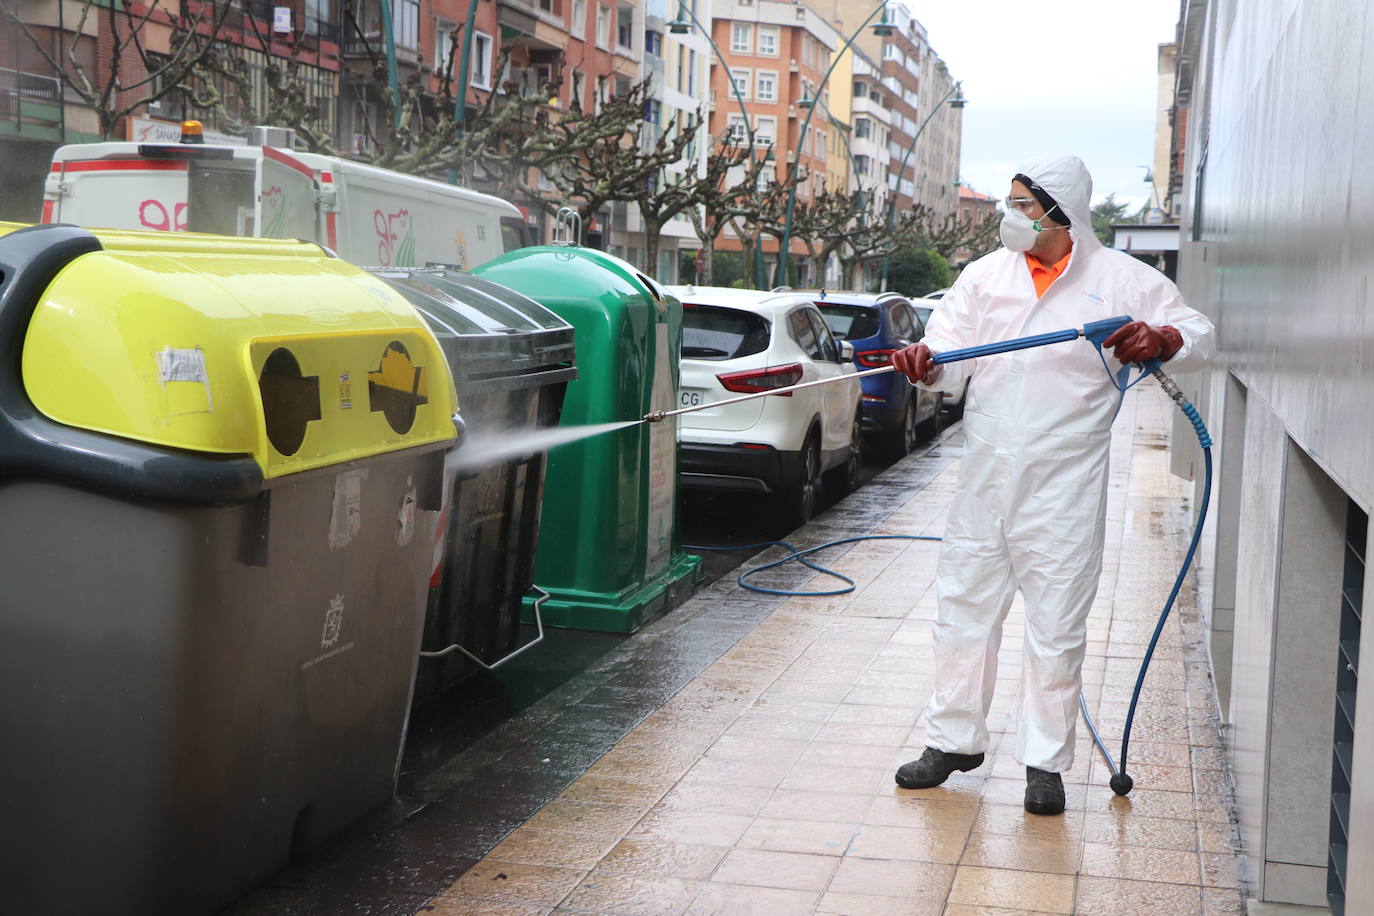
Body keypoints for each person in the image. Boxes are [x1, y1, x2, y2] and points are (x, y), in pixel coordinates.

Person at [890, 154, 1214, 815]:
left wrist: (1162, 337)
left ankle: (1044, 762)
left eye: (1020, 204)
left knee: (1056, 625)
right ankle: (952, 740)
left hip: (1065, 485)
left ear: (1059, 212)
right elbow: (947, 356)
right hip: (986, 478)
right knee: (962, 612)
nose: (1009, 216)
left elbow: (1201, 331)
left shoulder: (1121, 280)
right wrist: (924, 366)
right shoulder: (985, 278)